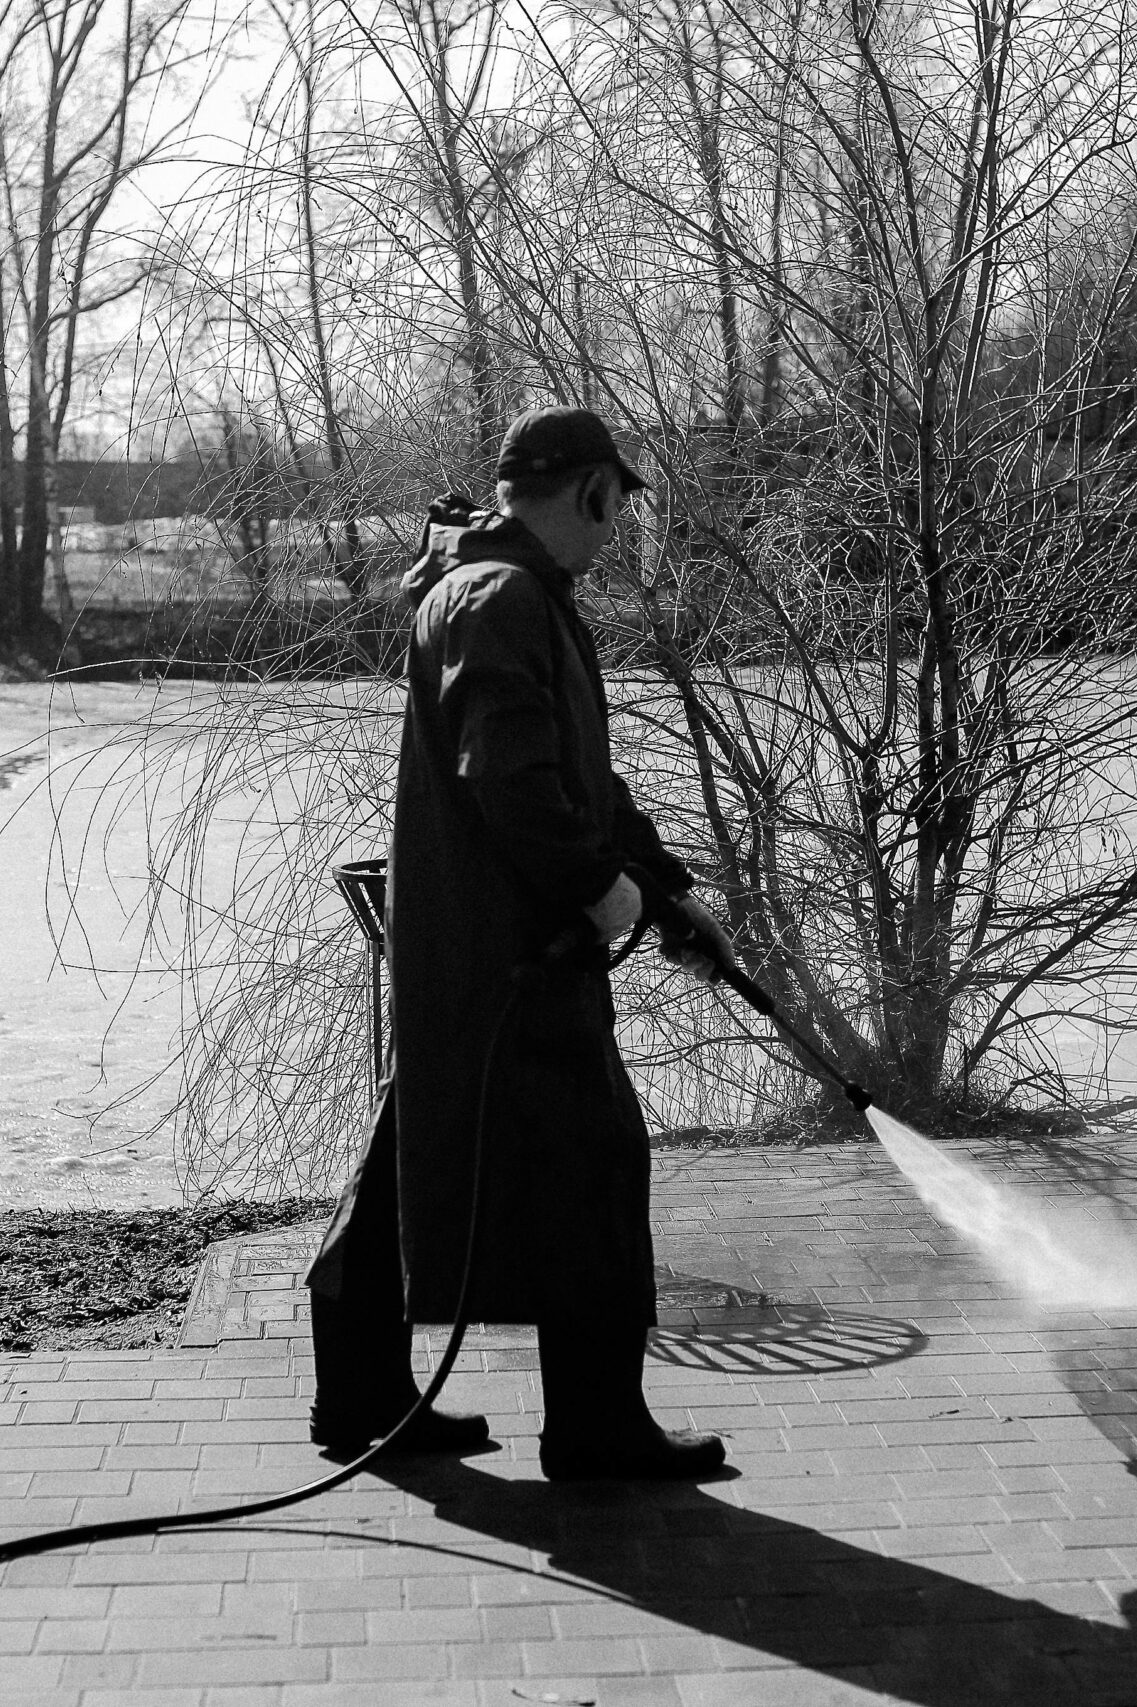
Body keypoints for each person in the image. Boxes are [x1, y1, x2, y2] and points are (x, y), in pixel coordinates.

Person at [304, 405, 740, 1481]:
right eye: (617, 507)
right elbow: (509, 778)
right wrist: (595, 889)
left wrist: (665, 890)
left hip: (468, 946)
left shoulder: (483, 586)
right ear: (591, 490)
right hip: (513, 951)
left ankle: (359, 1391)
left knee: (420, 1144)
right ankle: (597, 1431)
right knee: (595, 1163)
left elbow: (576, 777)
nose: (618, 532)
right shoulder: (503, 600)